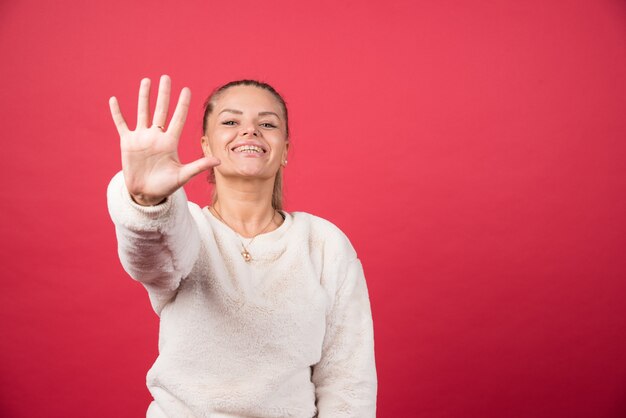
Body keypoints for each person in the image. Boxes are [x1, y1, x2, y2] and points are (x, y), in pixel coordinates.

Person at [107, 75, 377, 418]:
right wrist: (147, 200)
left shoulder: (324, 244)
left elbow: (348, 382)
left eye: (267, 123)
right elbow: (152, 256)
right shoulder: (185, 227)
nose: (250, 131)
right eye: (231, 121)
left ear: (285, 151)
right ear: (206, 146)